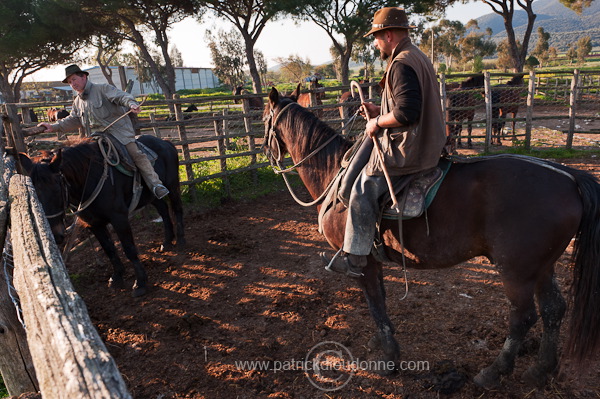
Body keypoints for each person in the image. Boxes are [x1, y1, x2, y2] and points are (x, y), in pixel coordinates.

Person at [322, 7, 447, 277]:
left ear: (388, 35)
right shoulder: (417, 56)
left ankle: (355, 259)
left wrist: (376, 123)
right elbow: (411, 105)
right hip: (430, 140)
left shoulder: (401, 63)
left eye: (376, 37)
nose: (375, 43)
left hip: (410, 149)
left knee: (362, 188)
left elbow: (406, 113)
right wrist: (380, 111)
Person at [38, 64, 169, 199]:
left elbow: (122, 97)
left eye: (74, 79)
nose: (72, 84)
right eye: (70, 82)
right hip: (94, 138)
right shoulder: (77, 101)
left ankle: (156, 185)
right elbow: (74, 119)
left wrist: (131, 104)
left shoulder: (103, 89)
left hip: (118, 134)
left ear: (84, 77)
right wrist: (53, 127)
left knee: (136, 154)